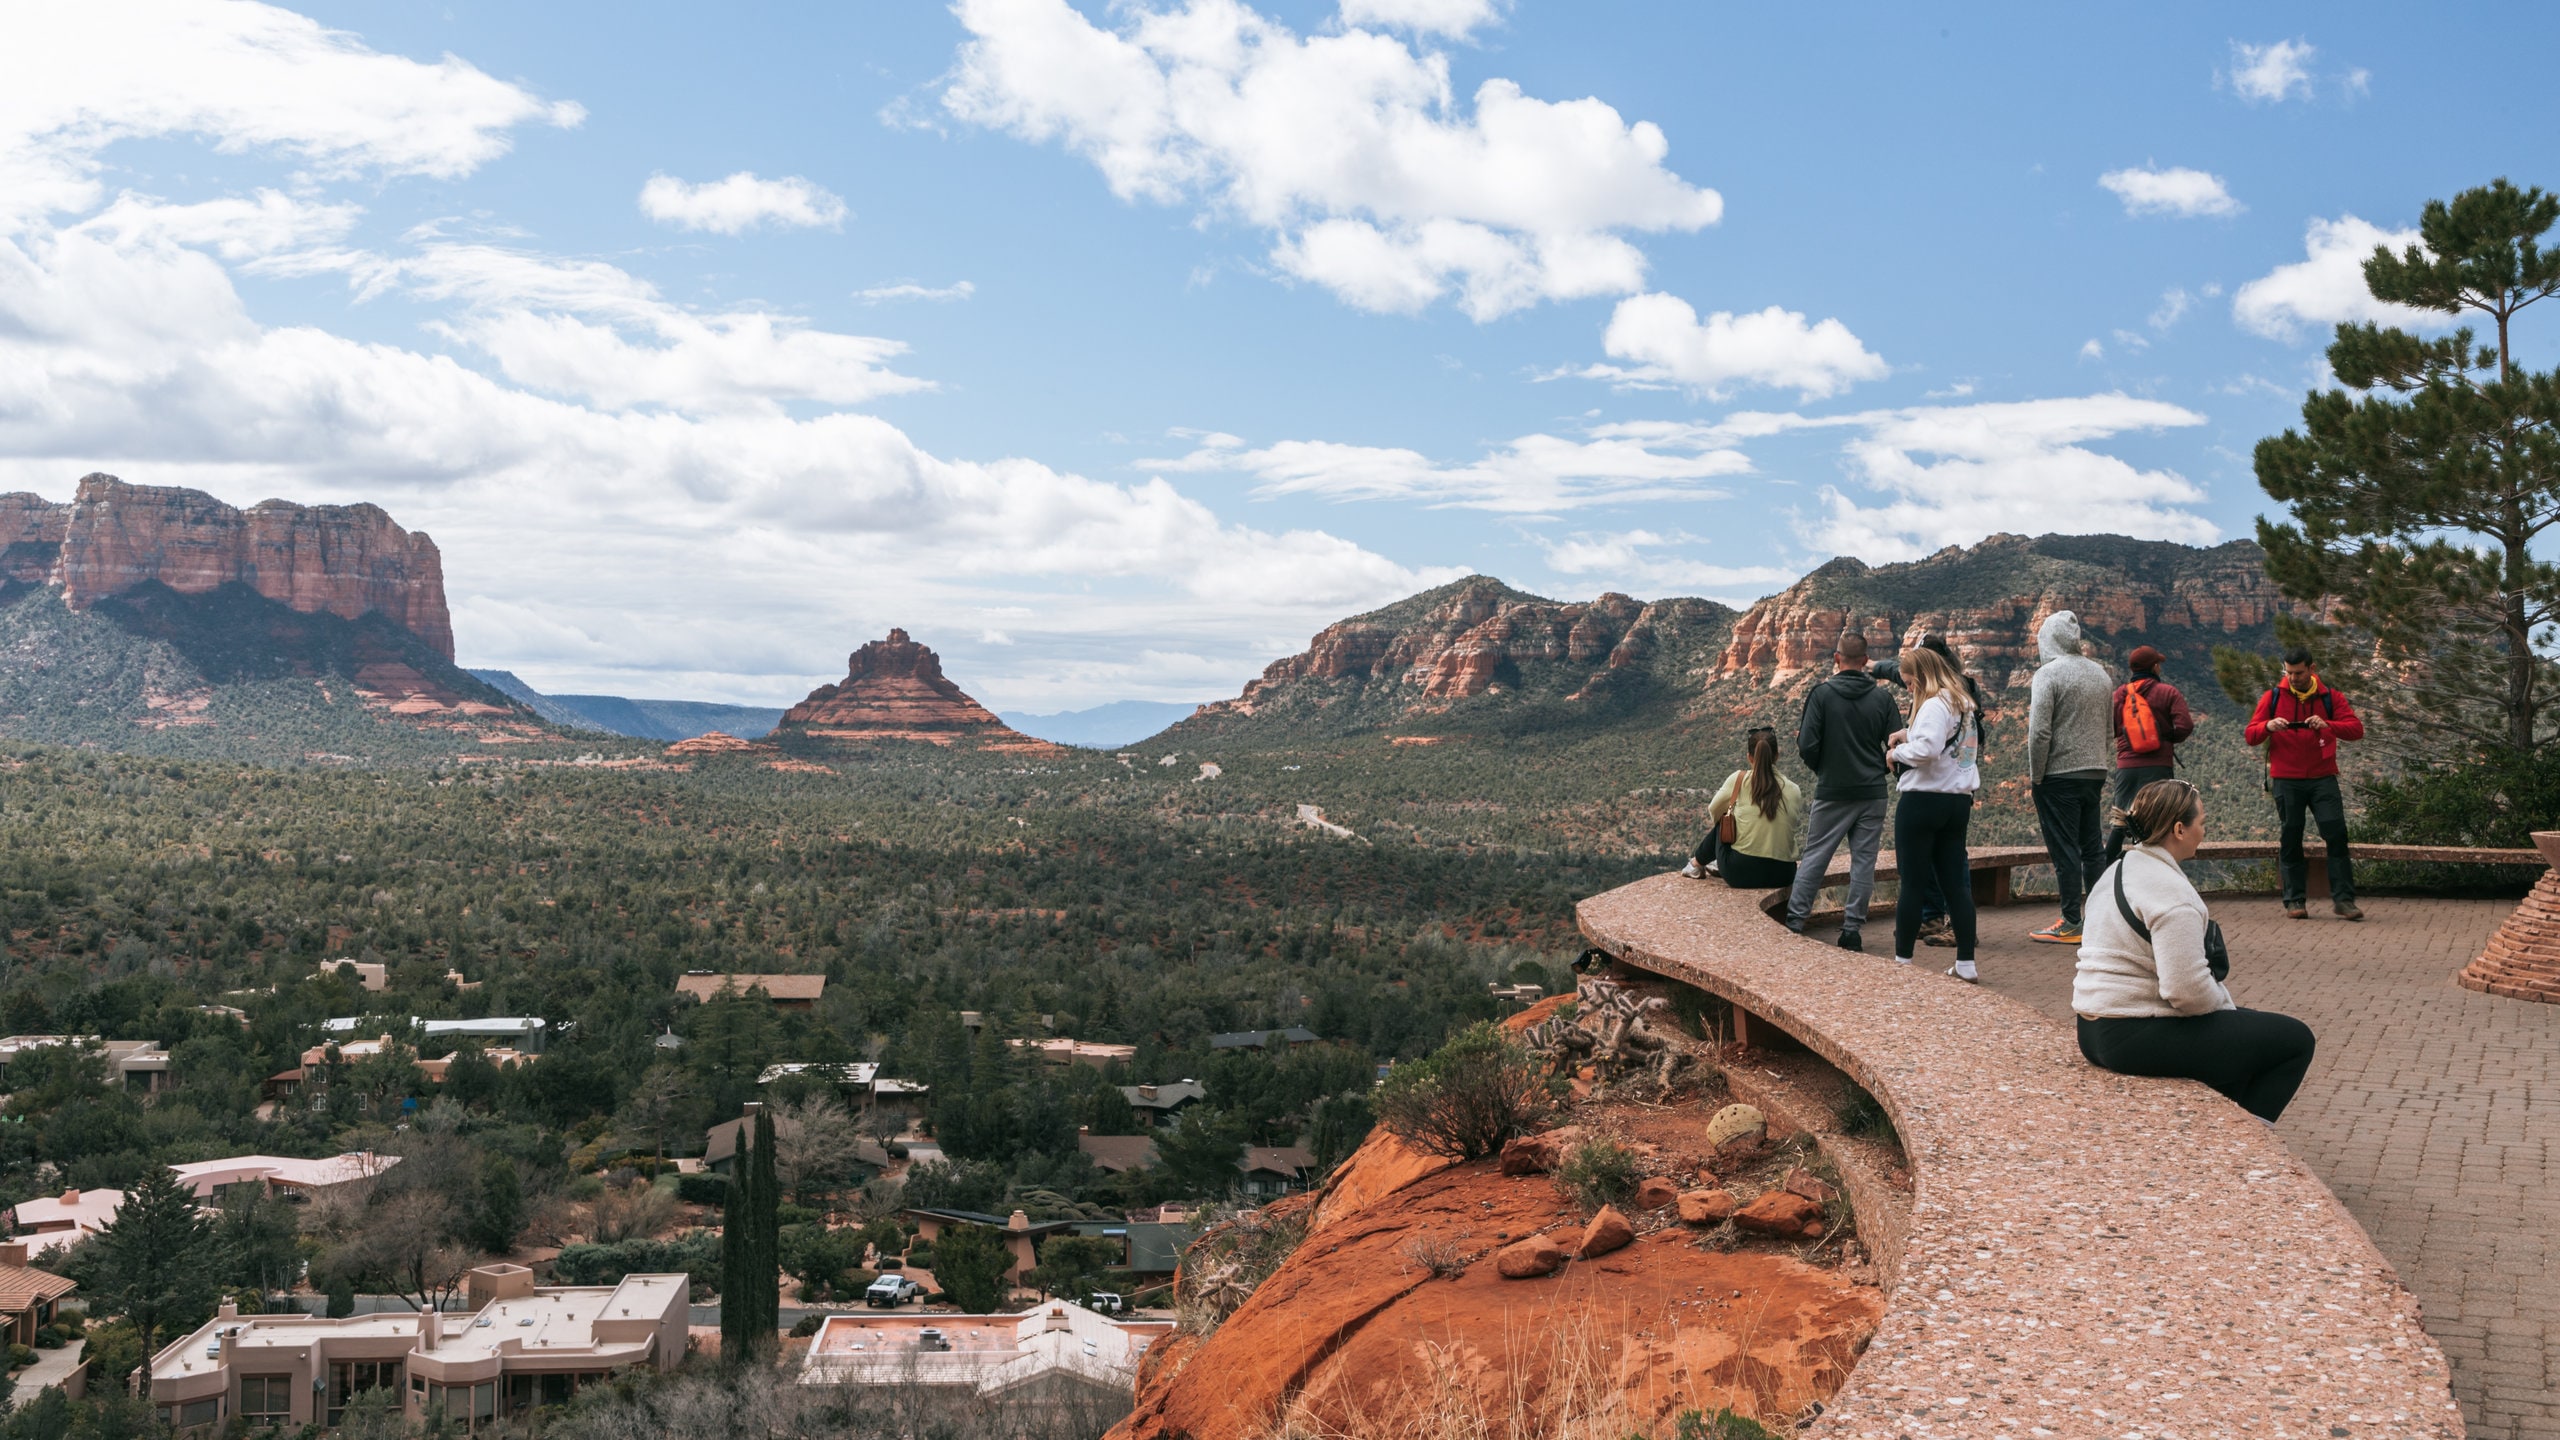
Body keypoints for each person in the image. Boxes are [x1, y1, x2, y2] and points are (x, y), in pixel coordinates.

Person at [2073, 779, 2318, 1122]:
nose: (2204, 830)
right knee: (2294, 1040)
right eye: (2201, 823)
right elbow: (2185, 991)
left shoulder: (2118, 869)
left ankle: (2221, 1127)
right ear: (2179, 829)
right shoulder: (2172, 895)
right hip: (2131, 1037)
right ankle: (2247, 1140)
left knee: (2246, 1032)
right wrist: (2225, 1007)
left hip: (2092, 1028)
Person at [1786, 630, 1904, 951]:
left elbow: (1807, 744)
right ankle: (1852, 930)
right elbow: (1898, 743)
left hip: (1833, 791)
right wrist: (1879, 769)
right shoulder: (1882, 698)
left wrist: (1826, 771)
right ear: (1866, 661)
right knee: (1864, 862)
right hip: (1872, 792)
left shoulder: (1821, 694)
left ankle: (1794, 923)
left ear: (1837, 658)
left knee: (1816, 856)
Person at [1876, 634, 1986, 948]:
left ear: (1924, 675)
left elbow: (1928, 748)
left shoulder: (1935, 704)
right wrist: (1907, 733)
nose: (1908, 689)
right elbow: (1949, 742)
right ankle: (1965, 963)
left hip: (1925, 799)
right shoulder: (1963, 701)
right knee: (1955, 886)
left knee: (1911, 883)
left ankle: (1903, 960)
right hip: (1958, 799)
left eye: (1910, 684)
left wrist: (1895, 754)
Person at [2243, 649, 2366, 921]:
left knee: (2336, 834)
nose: (2293, 678)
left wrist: (2328, 724)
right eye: (2288, 672)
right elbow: (2250, 735)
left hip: (2323, 777)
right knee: (2291, 837)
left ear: (2312, 668)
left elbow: (2356, 730)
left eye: (2298, 672)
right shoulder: (2272, 697)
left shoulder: (2330, 697)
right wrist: (2268, 726)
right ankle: (2295, 901)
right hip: (2286, 779)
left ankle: (2344, 901)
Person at [2024, 611, 2114, 944]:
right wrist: (2096, 762)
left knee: (2065, 850)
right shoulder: (2101, 674)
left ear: (2048, 640)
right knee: (2093, 848)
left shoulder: (2048, 675)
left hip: (2058, 775)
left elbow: (2039, 733)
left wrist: (2037, 775)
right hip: (2095, 772)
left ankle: (2071, 921)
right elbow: (2109, 730)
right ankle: (2103, 921)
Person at [1684, 727, 1805, 887]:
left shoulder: (1738, 780)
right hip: (1783, 874)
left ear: (1749, 757)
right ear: (1777, 756)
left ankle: (1695, 865)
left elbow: (1714, 810)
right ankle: (1703, 864)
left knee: (1724, 821)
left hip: (1739, 873)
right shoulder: (1794, 789)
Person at [2104, 645, 2193, 863]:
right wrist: (2167, 737)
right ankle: (2153, 866)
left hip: (2127, 767)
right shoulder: (2167, 692)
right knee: (2159, 819)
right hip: (2158, 766)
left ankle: (2104, 872)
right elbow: (2185, 726)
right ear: (2155, 667)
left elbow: (2111, 728)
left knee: (2120, 819)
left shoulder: (2120, 695)